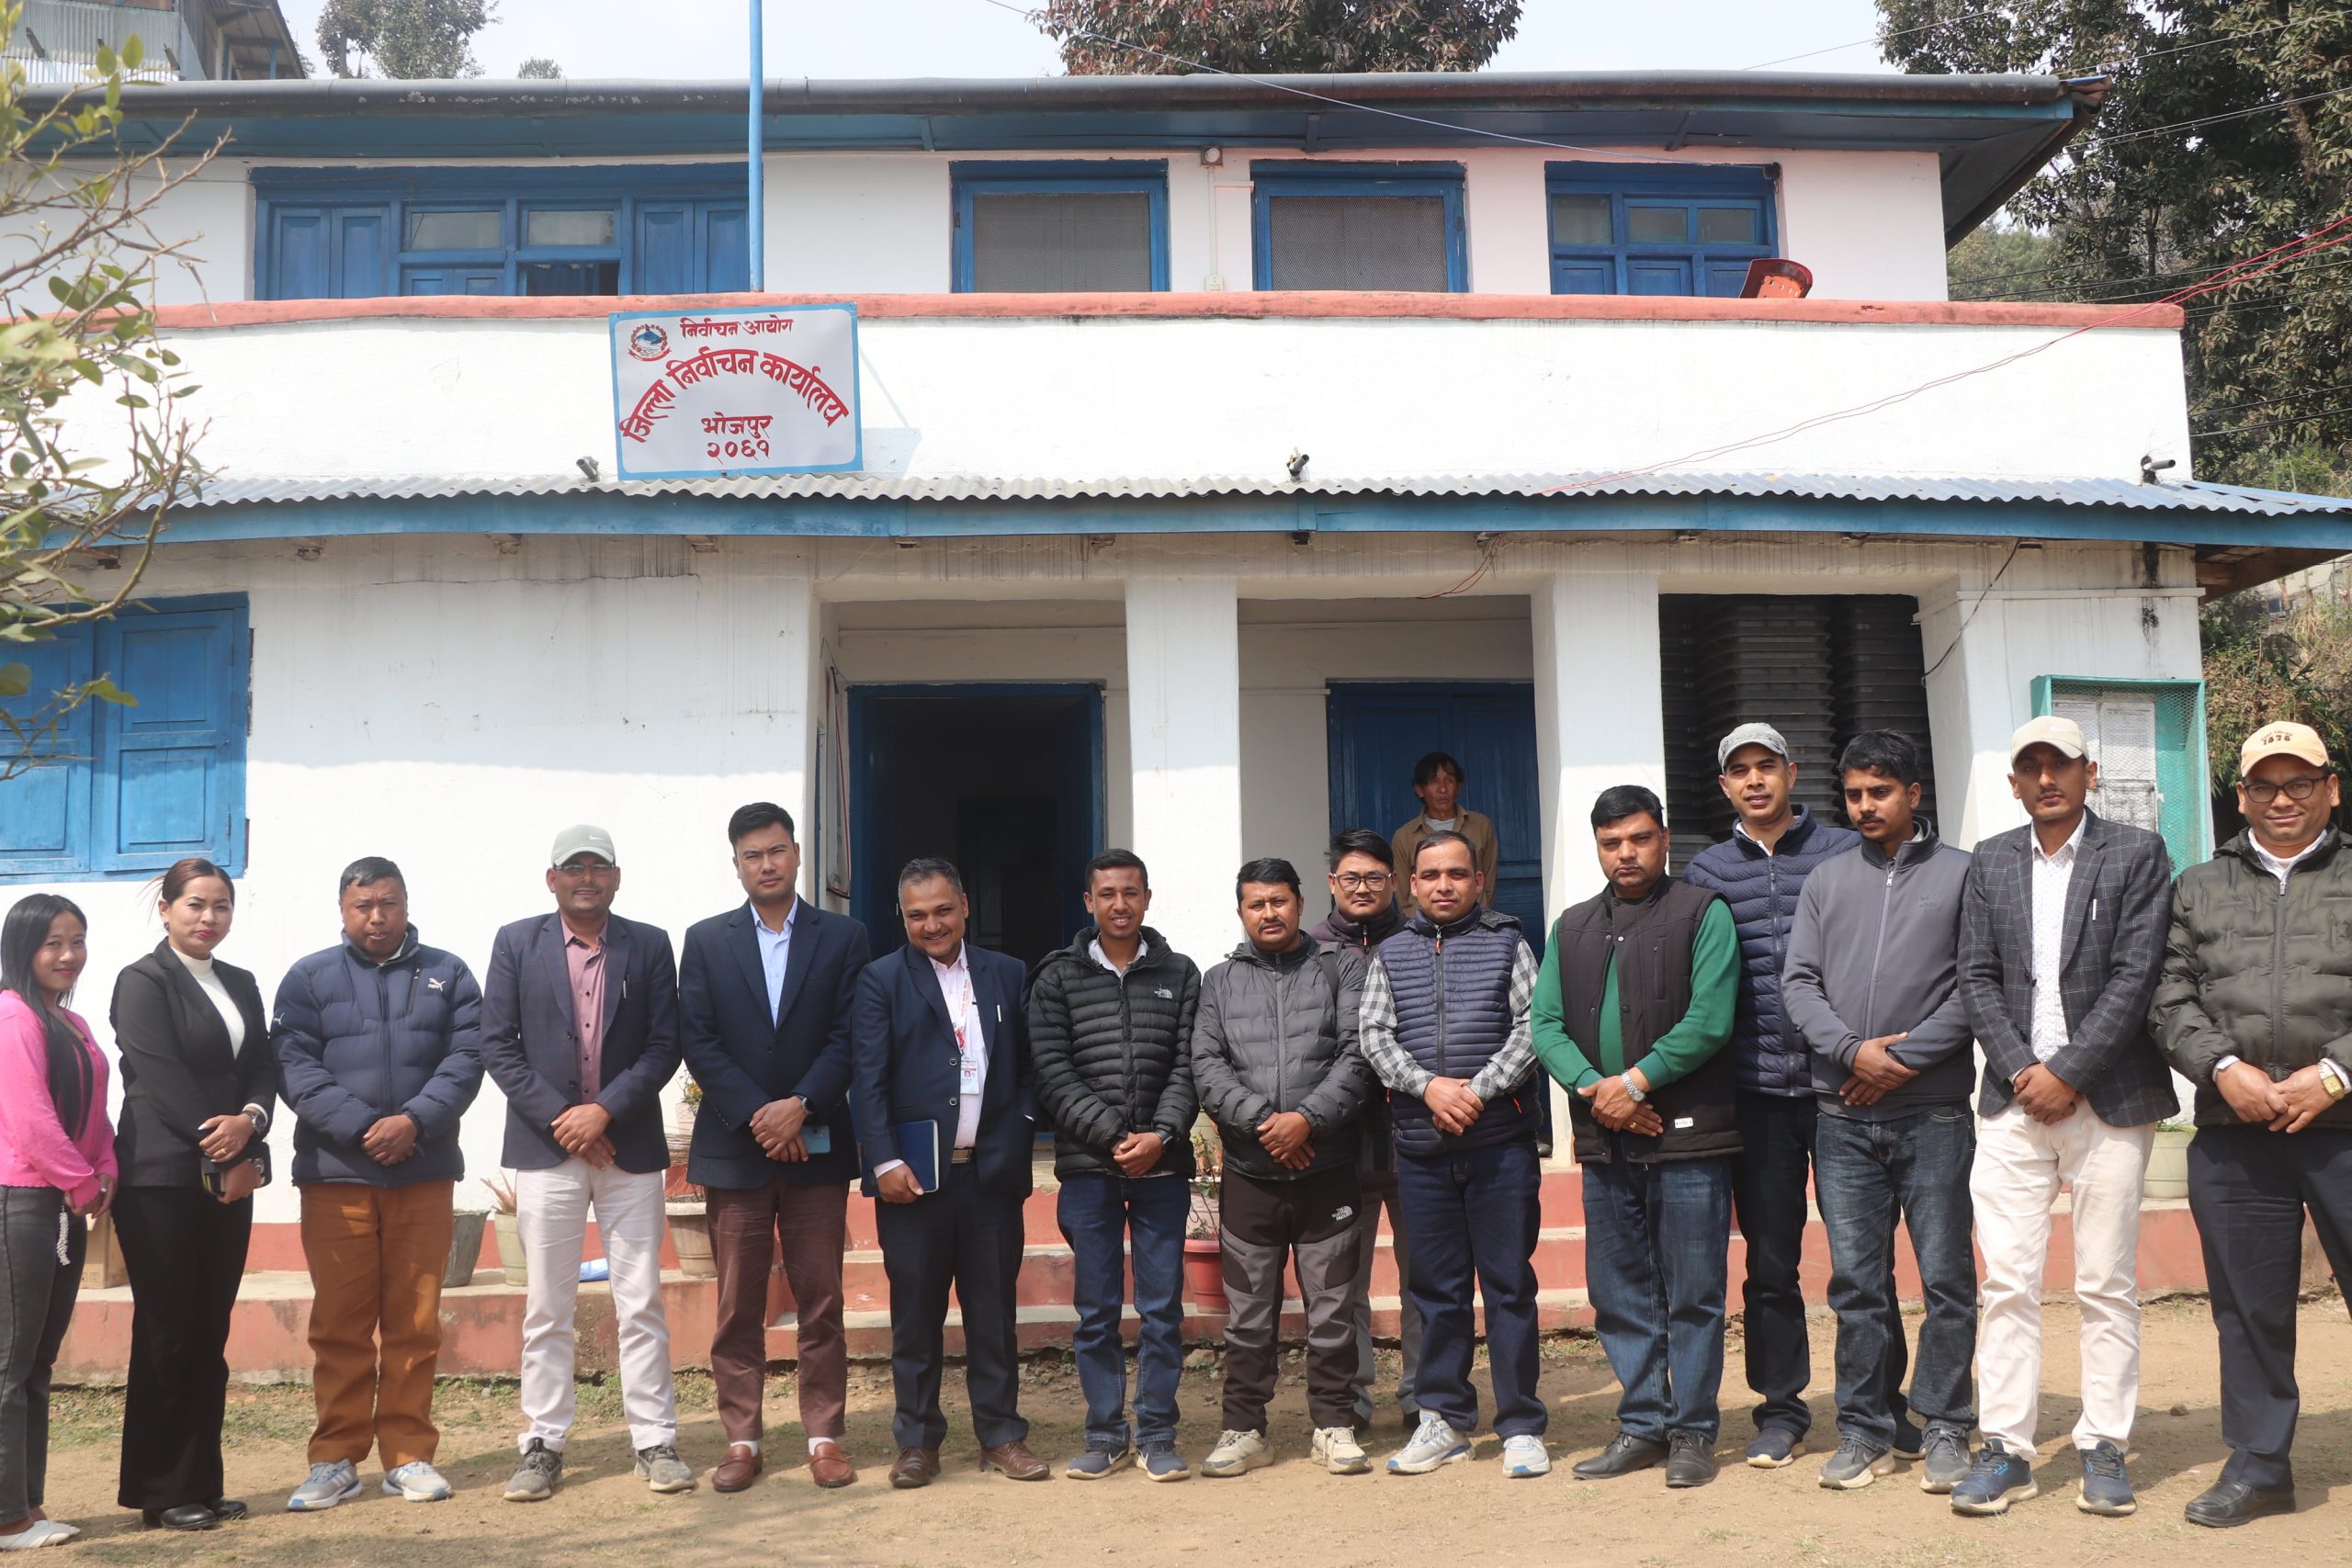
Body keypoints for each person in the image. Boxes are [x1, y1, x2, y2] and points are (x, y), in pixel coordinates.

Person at [1951, 716, 2176, 1519]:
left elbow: (2136, 974)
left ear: (2090, 772)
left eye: (2061, 764)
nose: (2047, 779)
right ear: (2014, 782)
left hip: (2109, 1099)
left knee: (2105, 1281)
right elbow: (1975, 975)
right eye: (2032, 767)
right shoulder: (1990, 860)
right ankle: (2006, 1448)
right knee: (2006, 1280)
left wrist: (2069, 1072)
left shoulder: (2136, 853)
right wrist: (2025, 1071)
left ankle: (2103, 1443)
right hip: (2013, 1102)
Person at [2154, 720, 2352, 1529]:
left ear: (2331, 787)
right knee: (2248, 1306)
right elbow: (2168, 994)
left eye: (2299, 782)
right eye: (2264, 785)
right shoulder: (2199, 885)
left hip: (2346, 1123)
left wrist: (2334, 1073)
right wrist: (2222, 1069)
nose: (2282, 799)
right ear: (2240, 796)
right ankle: (2262, 1465)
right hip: (2236, 1128)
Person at [1782, 731, 1976, 1495]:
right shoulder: (1826, 880)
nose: (1865, 805)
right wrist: (1850, 1052)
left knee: (1947, 1277)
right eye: (1855, 794)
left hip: (1934, 1114)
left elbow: (1975, 984)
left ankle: (1948, 1422)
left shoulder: (1961, 874)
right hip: (1842, 1118)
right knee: (1858, 1285)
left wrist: (1900, 1061)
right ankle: (1865, 1428)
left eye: (1880, 791)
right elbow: (1798, 983)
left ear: (1913, 794)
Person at [1533, 786, 1740, 1489]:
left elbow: (1710, 1018)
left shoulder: (1703, 911)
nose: (1626, 852)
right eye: (1611, 841)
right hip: (1607, 1139)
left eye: (1640, 838)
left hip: (1689, 1137)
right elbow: (1545, 1025)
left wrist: (1636, 1083)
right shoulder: (1571, 926)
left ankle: (1692, 1431)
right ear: (1597, 846)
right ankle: (1644, 1423)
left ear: (1665, 837)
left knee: (1693, 1289)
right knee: (1620, 1288)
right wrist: (1601, 1092)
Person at [481, 825, 691, 1502]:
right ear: (552, 879)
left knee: (641, 1301)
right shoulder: (517, 942)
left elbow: (664, 1044)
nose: (586, 878)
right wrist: (566, 1120)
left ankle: (654, 1440)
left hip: (628, 1147)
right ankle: (543, 1443)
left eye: (598, 867)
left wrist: (604, 1112)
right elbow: (497, 1045)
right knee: (548, 1304)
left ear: (616, 877)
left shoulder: (649, 944)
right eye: (573, 867)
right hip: (547, 1150)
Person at [272, 858, 484, 1512]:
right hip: (337, 1176)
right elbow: (294, 1067)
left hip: (423, 1171)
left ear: (406, 903)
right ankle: (334, 1458)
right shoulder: (309, 978)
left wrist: (413, 1121)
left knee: (414, 1323)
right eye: (362, 905)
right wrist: (366, 1127)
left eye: (387, 903)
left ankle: (408, 1454)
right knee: (340, 1323)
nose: (376, 917)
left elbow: (467, 1057)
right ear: (343, 910)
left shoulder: (449, 974)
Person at [677, 804, 872, 1494]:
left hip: (816, 1143)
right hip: (737, 1146)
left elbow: (850, 1033)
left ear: (796, 853)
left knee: (821, 1299)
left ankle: (824, 1436)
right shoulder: (706, 940)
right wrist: (762, 1114)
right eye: (753, 854)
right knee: (738, 1304)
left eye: (777, 850)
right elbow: (698, 1038)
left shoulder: (844, 936)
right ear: (736, 864)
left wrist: (802, 1105)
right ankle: (742, 1438)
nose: (767, 864)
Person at [1680, 723, 1858, 1467]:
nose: (1754, 780)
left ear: (1792, 771)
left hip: (1845, 1087)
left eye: (1766, 766)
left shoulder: (1845, 851)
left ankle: (1875, 1404)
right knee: (1771, 1263)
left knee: (1862, 1261)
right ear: (1725, 784)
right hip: (1755, 1093)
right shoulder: (1706, 870)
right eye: (1740, 770)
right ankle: (1781, 1409)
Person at [1360, 831, 1548, 1479]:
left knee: (1509, 1286)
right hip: (1422, 1148)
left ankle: (1521, 1424)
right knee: (1436, 1290)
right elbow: (1374, 1034)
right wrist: (1428, 1088)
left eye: (1457, 874)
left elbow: (1532, 1026)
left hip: (1500, 1147)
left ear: (1478, 881)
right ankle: (1443, 1418)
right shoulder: (1390, 952)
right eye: (1431, 875)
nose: (1444, 885)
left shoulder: (1509, 943)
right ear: (1412, 884)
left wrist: (1477, 1090)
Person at [852, 858, 1044, 1488]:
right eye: (917, 915)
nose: (931, 924)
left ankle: (1002, 1434)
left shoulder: (1006, 972)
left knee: (994, 1314)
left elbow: (1029, 1065)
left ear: (963, 905)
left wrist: (1021, 1124)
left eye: (942, 910)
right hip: (913, 1181)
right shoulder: (881, 980)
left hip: (990, 1176)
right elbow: (868, 1079)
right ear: (902, 918)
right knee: (915, 1317)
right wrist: (883, 1160)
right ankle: (916, 1442)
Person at [1191, 858, 1376, 1480]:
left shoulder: (1341, 967)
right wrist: (1269, 1126)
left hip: (1329, 1170)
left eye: (1279, 900)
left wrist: (1308, 1121)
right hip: (1252, 1175)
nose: (1268, 912)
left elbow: (1358, 1054)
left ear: (1299, 903)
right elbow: (1206, 1066)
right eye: (1256, 903)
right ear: (1241, 911)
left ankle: (1334, 1424)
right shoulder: (1219, 981)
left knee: (1332, 1310)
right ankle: (1244, 1428)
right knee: (1247, 1316)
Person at [107, 860, 272, 1531]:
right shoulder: (142, 981)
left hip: (228, 1175)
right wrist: (227, 1147)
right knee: (168, 1330)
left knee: (210, 1329)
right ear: (166, 908)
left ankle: (202, 1481)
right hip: (162, 1179)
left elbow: (261, 1065)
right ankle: (160, 1488)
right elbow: (164, 1079)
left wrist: (252, 1123)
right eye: (195, 904)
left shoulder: (240, 981)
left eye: (221, 906)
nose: (209, 917)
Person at [1028, 849, 1201, 1482]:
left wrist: (1161, 1134)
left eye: (1131, 893)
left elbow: (1190, 1063)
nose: (1120, 904)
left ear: (1147, 898)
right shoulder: (1057, 977)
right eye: (1107, 894)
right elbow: (1051, 1070)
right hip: (1088, 1168)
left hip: (1163, 1167)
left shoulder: (1180, 972)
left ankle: (1157, 1432)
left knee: (1161, 1309)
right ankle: (1104, 1434)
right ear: (1089, 902)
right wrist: (1113, 1135)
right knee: (1097, 1310)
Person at [0, 895, 111, 1551]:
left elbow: (94, 1111)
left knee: (38, 1361)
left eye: (78, 941)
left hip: (63, 1201)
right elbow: (30, 1118)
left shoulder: (72, 1023)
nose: (69, 955)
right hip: (20, 1200)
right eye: (53, 943)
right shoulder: (12, 1015)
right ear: (23, 948)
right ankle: (6, 1517)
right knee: (10, 1363)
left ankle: (26, 1502)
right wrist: (80, 1179)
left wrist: (105, 1168)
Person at [1311, 829, 1419, 1431]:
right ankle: (1351, 1398)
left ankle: (1423, 1394)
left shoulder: (1420, 941)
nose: (1362, 888)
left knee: (1423, 1274)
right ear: (1332, 882)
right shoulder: (1311, 950)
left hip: (1415, 1133)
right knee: (1343, 1280)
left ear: (1394, 882)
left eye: (1374, 877)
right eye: (1350, 877)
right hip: (1340, 1141)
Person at [1388, 752, 1499, 913]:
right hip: (1423, 925)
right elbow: (1403, 896)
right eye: (1434, 781)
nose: (1443, 789)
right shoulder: (1404, 836)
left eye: (1449, 781)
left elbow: (1488, 885)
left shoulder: (1481, 826)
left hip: (1474, 921)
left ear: (1458, 787)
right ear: (1420, 790)